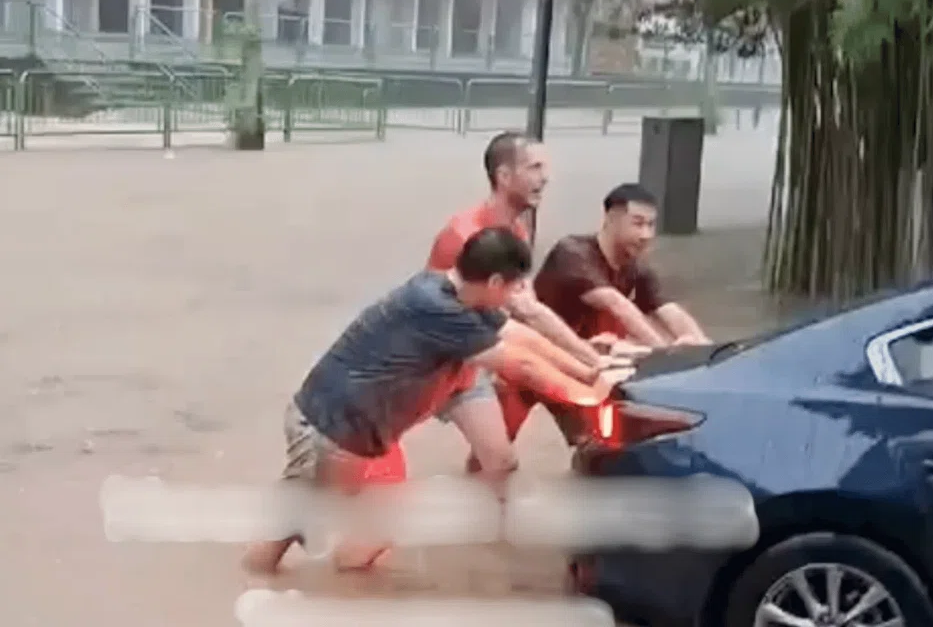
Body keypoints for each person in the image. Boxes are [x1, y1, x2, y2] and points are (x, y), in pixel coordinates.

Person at [241, 227, 627, 576]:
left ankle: (349, 593)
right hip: (329, 430)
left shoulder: (453, 294)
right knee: (288, 531)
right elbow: (521, 365)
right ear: (494, 281)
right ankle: (256, 589)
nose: (515, 300)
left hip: (361, 432)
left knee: (384, 522)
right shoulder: (438, 308)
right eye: (513, 289)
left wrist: (587, 371)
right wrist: (586, 397)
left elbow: (522, 338)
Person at [427, 131, 618, 472]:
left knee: (499, 459)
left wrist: (587, 359)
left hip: (482, 349)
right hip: (441, 362)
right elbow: (455, 323)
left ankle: (586, 442)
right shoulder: (464, 236)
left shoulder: (516, 230)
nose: (546, 178)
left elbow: (528, 310)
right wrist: (587, 366)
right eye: (534, 167)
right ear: (503, 176)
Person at [497, 182, 713, 447]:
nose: (646, 234)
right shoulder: (573, 253)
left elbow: (669, 310)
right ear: (611, 219)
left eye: (651, 225)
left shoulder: (636, 268)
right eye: (637, 223)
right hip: (531, 362)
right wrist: (666, 356)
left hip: (581, 367)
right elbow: (616, 304)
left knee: (595, 445)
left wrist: (705, 357)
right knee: (495, 450)